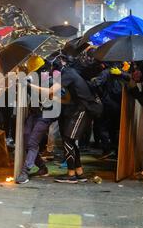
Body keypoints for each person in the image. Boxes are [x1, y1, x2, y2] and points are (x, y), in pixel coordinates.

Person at [29, 54, 102, 184]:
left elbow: (51, 91)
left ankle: (71, 174)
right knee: (70, 140)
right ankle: (79, 172)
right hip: (82, 108)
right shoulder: (70, 72)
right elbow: (66, 98)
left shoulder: (68, 74)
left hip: (85, 108)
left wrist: (30, 85)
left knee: (68, 139)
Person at [16, 56, 56, 184]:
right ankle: (42, 167)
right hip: (34, 114)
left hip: (45, 115)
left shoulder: (50, 81)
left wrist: (29, 85)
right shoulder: (33, 80)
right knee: (27, 139)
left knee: (32, 143)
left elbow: (49, 93)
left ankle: (25, 172)